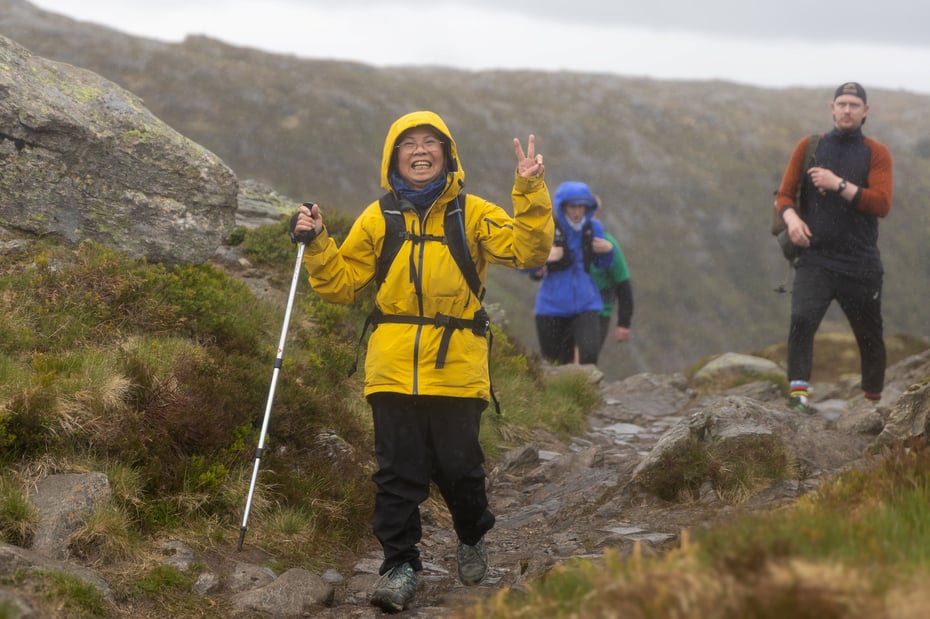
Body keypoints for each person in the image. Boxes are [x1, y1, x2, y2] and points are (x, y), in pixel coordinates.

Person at [290, 110, 553, 612]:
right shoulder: (379, 216)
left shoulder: (473, 213)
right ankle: (399, 566)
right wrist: (319, 242)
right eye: (408, 143)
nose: (420, 150)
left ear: (447, 154)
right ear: (394, 157)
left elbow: (528, 251)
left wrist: (530, 191)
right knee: (397, 473)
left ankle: (472, 533)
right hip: (390, 365)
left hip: (456, 368)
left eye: (430, 142)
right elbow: (340, 286)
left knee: (460, 469)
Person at [773, 82, 893, 414]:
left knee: (869, 336)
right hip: (816, 258)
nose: (847, 110)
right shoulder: (810, 146)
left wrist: (838, 184)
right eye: (842, 103)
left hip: (861, 263)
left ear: (865, 111)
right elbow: (783, 195)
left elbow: (881, 204)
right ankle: (798, 397)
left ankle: (872, 403)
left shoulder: (876, 152)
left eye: (855, 105)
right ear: (832, 107)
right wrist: (792, 219)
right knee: (801, 320)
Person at [530, 181, 614, 366]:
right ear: (563, 207)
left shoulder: (594, 228)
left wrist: (608, 251)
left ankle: (587, 394)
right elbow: (525, 265)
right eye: (572, 206)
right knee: (554, 364)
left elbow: (603, 265)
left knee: (589, 357)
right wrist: (543, 259)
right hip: (551, 308)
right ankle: (564, 395)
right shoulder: (548, 229)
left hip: (587, 305)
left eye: (581, 206)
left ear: (588, 207)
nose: (577, 212)